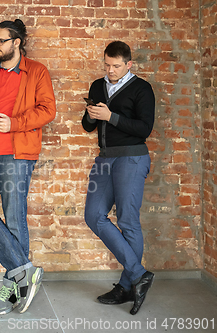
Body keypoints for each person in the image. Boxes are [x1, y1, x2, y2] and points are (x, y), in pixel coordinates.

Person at [0, 19, 56, 315]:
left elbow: (48, 110)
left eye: (0, 41)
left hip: (17, 154)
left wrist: (13, 123)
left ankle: (11, 287)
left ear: (17, 42)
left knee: (14, 218)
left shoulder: (37, 71)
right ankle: (24, 271)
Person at [82, 41, 155, 315]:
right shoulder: (97, 85)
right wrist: (92, 116)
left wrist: (110, 116)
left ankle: (127, 286)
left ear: (128, 64)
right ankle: (139, 275)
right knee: (93, 215)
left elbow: (144, 128)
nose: (110, 71)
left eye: (116, 66)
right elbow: (88, 125)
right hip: (105, 157)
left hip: (132, 158)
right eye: (107, 65)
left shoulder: (142, 88)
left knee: (127, 221)